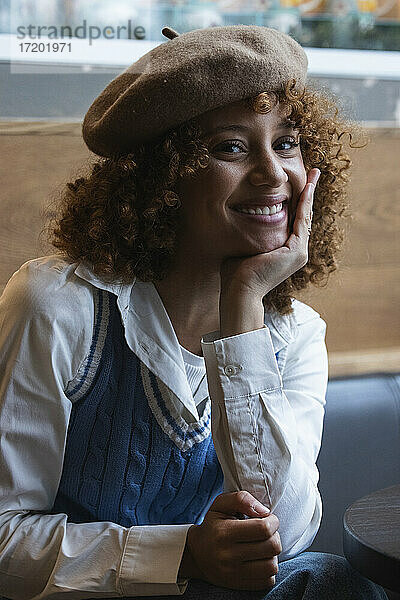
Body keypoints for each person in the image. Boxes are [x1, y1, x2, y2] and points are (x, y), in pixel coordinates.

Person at [0, 24, 388, 600]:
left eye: (286, 142)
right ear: (161, 175)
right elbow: (5, 543)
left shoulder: (295, 332)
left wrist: (244, 310)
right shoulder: (59, 306)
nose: (274, 173)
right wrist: (182, 555)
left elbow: (290, 529)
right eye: (231, 147)